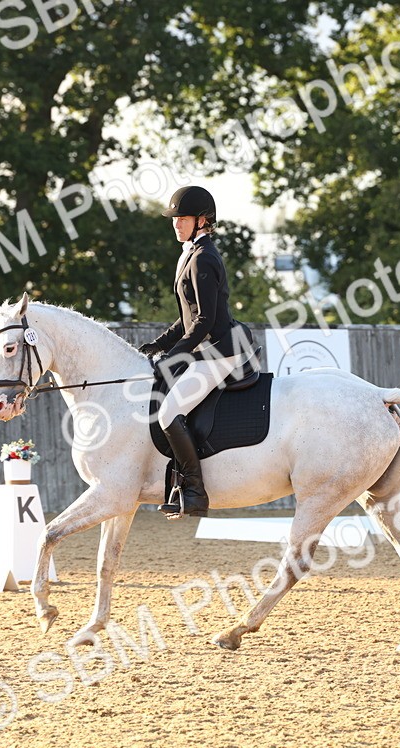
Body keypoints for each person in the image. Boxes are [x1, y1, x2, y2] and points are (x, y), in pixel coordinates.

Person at [139, 185, 254, 519]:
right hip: (206, 347)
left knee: (167, 413)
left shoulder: (204, 257)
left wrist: (174, 357)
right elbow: (186, 315)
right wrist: (160, 344)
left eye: (183, 218)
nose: (176, 224)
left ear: (202, 220)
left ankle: (194, 492)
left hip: (222, 351)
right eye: (175, 219)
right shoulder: (189, 252)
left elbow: (203, 320)